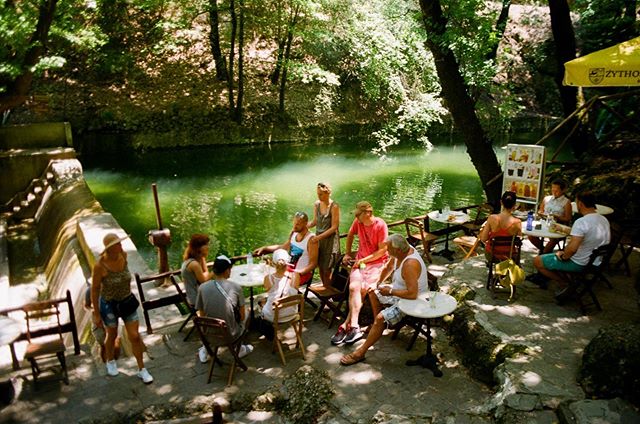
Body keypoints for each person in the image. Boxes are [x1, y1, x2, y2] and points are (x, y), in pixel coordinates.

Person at [340, 234, 429, 365]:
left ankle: (361, 352)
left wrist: (391, 291)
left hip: (412, 302)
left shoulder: (410, 264)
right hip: (399, 292)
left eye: (389, 249)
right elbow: (387, 267)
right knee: (372, 291)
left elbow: (412, 294)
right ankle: (377, 327)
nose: (387, 252)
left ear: (398, 250)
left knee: (381, 318)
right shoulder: (401, 251)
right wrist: (376, 284)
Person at [91, 233, 153, 384]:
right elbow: (95, 289)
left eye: (120, 243)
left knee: (135, 336)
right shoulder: (100, 266)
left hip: (126, 301)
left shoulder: (123, 256)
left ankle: (142, 369)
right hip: (109, 304)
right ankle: (110, 360)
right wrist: (97, 314)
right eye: (117, 244)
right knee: (111, 335)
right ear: (110, 248)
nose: (121, 246)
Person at [331, 201, 389, 346]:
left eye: (358, 214)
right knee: (353, 287)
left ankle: (346, 324)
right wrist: (348, 253)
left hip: (377, 262)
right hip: (361, 262)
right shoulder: (358, 222)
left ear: (368, 213)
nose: (356, 216)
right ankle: (354, 326)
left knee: (363, 289)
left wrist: (363, 259)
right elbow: (350, 234)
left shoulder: (380, 225)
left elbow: (382, 251)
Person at [532, 191, 610, 292]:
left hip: (579, 263)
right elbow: (585, 233)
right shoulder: (603, 219)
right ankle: (567, 279)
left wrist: (563, 256)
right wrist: (563, 229)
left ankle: (564, 282)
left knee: (537, 261)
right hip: (595, 262)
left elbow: (572, 250)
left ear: (580, 204)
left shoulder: (581, 222)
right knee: (556, 254)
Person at [196, 255, 253, 362]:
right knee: (248, 312)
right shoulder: (236, 287)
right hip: (230, 336)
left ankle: (205, 348)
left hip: (209, 335)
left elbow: (201, 315)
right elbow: (242, 317)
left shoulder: (202, 287)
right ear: (227, 270)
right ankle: (239, 348)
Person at [254, 211, 319, 289]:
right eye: (294, 223)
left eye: (298, 224)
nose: (294, 226)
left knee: (275, 282)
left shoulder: (311, 239)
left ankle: (282, 298)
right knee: (265, 276)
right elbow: (283, 247)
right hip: (288, 270)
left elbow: (313, 264)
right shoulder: (294, 233)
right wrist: (265, 248)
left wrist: (297, 273)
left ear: (306, 223)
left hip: (301, 274)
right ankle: (277, 298)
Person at [307, 182, 340, 288]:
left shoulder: (334, 206)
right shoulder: (317, 204)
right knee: (320, 267)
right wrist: (303, 227)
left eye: (321, 194)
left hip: (330, 240)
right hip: (319, 239)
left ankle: (328, 291)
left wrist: (318, 237)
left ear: (328, 193)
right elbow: (315, 221)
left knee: (327, 269)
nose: (318, 196)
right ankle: (326, 288)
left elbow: (334, 227)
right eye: (317, 193)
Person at [528, 179, 572, 253]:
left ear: (562, 190)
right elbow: (540, 211)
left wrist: (557, 217)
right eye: (552, 189)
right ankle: (543, 250)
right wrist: (541, 214)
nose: (554, 191)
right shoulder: (547, 199)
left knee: (553, 239)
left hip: (557, 225)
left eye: (556, 190)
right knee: (530, 235)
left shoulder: (566, 202)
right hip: (544, 222)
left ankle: (544, 253)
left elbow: (568, 218)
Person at [479, 191, 522, 261]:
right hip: (509, 256)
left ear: (501, 202)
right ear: (514, 205)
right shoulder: (518, 222)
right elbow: (518, 241)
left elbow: (483, 239)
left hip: (492, 255)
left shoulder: (492, 218)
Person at [261, 249, 298, 323]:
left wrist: (267, 270)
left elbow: (267, 290)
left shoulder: (268, 278)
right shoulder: (295, 276)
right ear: (288, 262)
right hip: (292, 314)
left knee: (262, 301)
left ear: (274, 263)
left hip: (273, 317)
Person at [181, 234, 212, 307]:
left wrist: (206, 273)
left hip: (200, 293)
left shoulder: (200, 259)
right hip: (196, 299)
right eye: (206, 245)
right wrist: (214, 272)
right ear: (198, 248)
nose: (208, 247)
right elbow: (204, 281)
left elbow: (205, 274)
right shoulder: (194, 264)